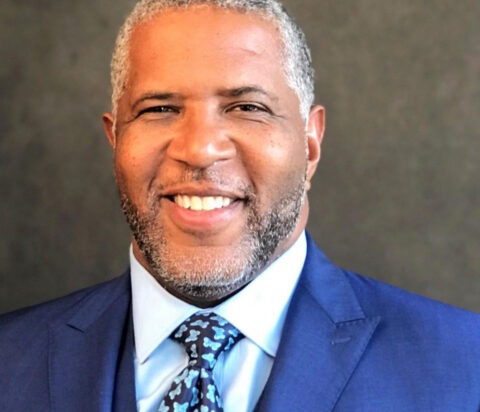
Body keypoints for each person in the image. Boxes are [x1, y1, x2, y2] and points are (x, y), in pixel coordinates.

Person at [1, 0, 479, 411]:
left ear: (310, 144)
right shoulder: (10, 361)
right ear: (115, 139)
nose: (200, 148)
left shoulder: (464, 366)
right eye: (159, 109)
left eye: (247, 107)